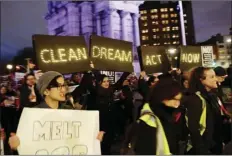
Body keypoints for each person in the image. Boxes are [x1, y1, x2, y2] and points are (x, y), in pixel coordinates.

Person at [8, 71, 104, 151]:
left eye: (63, 86)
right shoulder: (33, 115)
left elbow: (77, 139)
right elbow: (28, 146)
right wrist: (17, 145)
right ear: (46, 91)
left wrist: (93, 138)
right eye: (58, 86)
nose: (63, 90)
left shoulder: (70, 111)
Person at [123, 76, 186, 155]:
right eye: (173, 99)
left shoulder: (174, 114)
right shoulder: (148, 121)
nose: (177, 103)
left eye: (179, 99)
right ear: (162, 96)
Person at [185, 67, 226, 154]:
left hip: (215, 144)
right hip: (204, 148)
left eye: (215, 76)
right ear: (201, 80)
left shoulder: (213, 96)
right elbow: (193, 128)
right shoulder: (195, 99)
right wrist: (202, 150)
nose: (216, 79)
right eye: (212, 77)